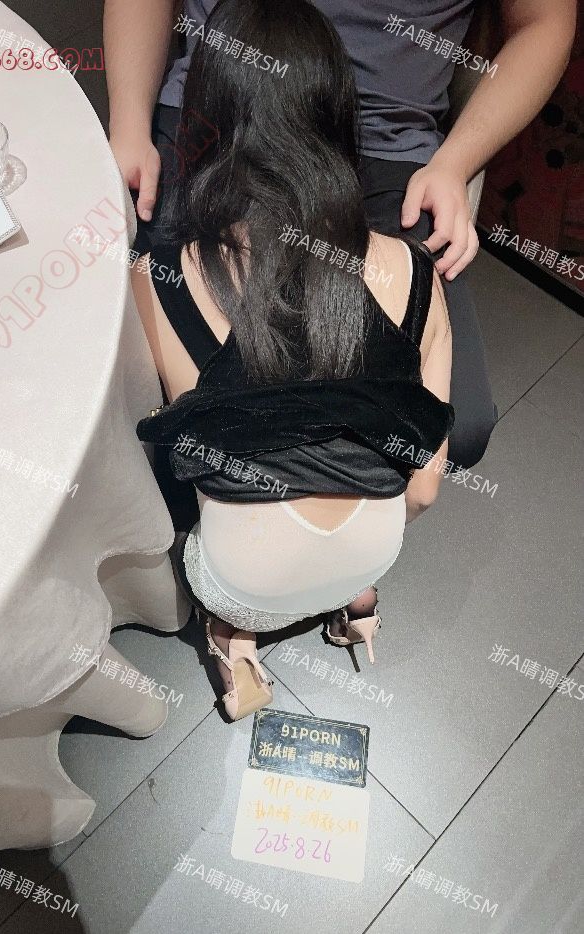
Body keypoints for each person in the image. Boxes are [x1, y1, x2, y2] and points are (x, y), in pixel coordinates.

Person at [132, 0, 454, 720]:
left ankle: (234, 640)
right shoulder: (415, 273)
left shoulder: (160, 280)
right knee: (355, 524)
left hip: (247, 572)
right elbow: (426, 490)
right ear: (341, 117)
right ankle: (355, 606)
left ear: (203, 120)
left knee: (223, 544)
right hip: (375, 551)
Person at [105, 0, 576, 471]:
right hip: (224, 103)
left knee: (455, 427)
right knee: (113, 370)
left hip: (385, 141)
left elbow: (545, 22)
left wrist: (455, 164)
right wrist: (129, 124)